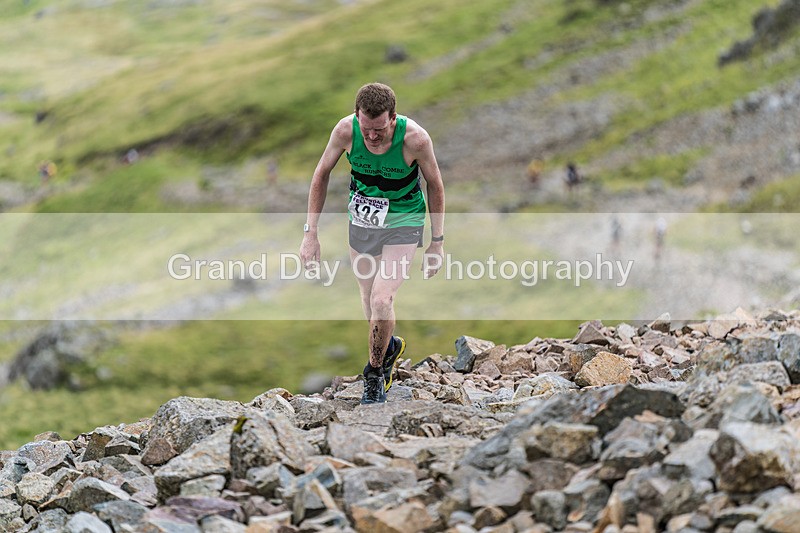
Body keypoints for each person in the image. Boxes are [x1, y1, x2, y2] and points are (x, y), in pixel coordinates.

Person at [300, 83, 446, 404]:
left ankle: (375, 374)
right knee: (368, 299)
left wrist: (437, 241)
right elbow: (321, 174)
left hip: (403, 222)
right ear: (357, 116)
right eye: (366, 129)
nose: (372, 137)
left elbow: (435, 184)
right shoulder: (345, 131)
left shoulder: (415, 140)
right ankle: (388, 345)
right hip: (363, 221)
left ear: (393, 118)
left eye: (379, 129)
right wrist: (311, 233)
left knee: (382, 300)